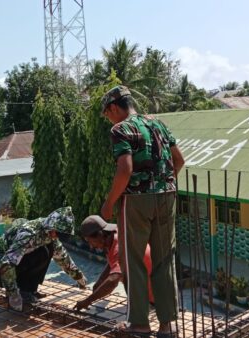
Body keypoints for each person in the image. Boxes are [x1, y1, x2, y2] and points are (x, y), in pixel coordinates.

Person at [99, 85, 185, 336]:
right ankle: (168, 325)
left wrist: (108, 204)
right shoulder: (158, 124)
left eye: (108, 114)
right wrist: (160, 184)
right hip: (167, 196)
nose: (109, 119)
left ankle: (139, 324)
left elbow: (124, 170)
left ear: (114, 108)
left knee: (133, 261)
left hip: (136, 201)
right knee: (164, 260)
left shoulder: (120, 129)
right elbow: (178, 160)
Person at [0, 207, 88, 311]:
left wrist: (78, 276)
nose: (57, 237)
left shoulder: (49, 235)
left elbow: (63, 258)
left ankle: (28, 291)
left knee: (49, 249)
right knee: (42, 252)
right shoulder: (29, 233)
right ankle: (23, 291)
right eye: (58, 233)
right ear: (52, 226)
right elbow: (6, 263)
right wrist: (13, 294)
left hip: (12, 272)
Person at [74, 215, 154, 311]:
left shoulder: (120, 247)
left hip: (152, 299)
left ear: (100, 235)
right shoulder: (113, 235)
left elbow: (112, 281)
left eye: (91, 242)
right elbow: (114, 262)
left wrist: (87, 301)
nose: (91, 247)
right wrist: (100, 281)